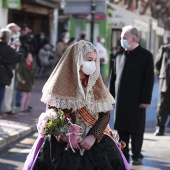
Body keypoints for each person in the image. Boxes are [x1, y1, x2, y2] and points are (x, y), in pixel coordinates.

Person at [23, 40, 130, 170]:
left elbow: (105, 114)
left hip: (94, 143)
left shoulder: (96, 85)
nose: (93, 64)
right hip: (64, 145)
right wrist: (65, 136)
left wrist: (93, 136)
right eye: (89, 60)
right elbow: (52, 114)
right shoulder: (59, 85)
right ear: (77, 59)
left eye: (95, 60)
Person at [109, 25, 154, 165]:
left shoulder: (146, 55)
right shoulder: (119, 55)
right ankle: (123, 154)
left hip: (137, 100)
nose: (121, 40)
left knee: (136, 129)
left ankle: (136, 155)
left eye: (124, 38)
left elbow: (149, 79)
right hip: (121, 100)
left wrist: (146, 99)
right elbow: (113, 78)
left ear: (133, 39)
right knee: (121, 128)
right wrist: (110, 97)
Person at [0, 28, 23, 118]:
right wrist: (19, 48)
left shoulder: (7, 48)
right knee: (1, 93)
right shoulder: (7, 49)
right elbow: (18, 57)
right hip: (3, 75)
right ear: (8, 38)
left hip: (3, 74)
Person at [154, 43, 170, 136]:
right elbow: (157, 65)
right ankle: (160, 128)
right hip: (166, 83)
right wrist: (162, 75)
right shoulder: (165, 49)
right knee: (162, 107)